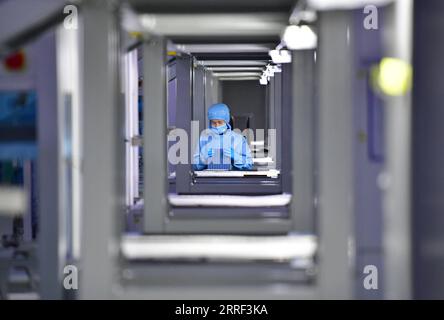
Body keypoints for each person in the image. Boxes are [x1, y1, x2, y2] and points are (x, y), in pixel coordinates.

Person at [193, 103, 253, 171]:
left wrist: (236, 157)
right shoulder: (203, 138)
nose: (217, 125)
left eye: (220, 122)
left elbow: (249, 165)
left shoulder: (238, 139)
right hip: (208, 180)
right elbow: (194, 167)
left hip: (233, 180)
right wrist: (202, 159)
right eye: (214, 122)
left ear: (226, 121)